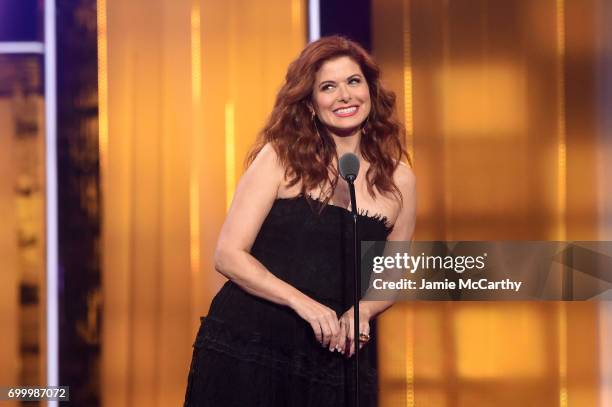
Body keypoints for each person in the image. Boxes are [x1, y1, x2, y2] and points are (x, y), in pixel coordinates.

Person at [183, 35, 416, 407]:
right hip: (252, 346)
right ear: (309, 103)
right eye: (328, 86)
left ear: (370, 91)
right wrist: (302, 303)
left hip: (337, 354)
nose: (344, 95)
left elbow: (394, 271)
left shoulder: (399, 178)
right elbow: (229, 254)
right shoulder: (279, 159)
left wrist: (366, 310)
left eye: (353, 82)